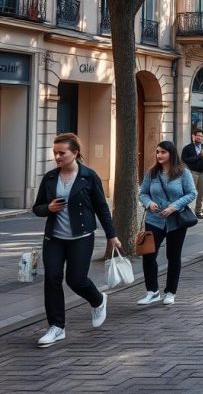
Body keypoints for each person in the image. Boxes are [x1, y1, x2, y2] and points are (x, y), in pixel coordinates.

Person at [33, 133, 121, 347]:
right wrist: (48, 208)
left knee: (76, 279)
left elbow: (101, 207)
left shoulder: (89, 177)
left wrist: (112, 235)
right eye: (55, 153)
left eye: (61, 153)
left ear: (75, 153)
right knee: (52, 278)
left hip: (81, 237)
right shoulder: (50, 178)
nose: (57, 157)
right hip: (54, 237)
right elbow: (37, 208)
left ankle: (98, 300)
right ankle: (56, 327)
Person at [137, 141, 197, 306]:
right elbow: (143, 193)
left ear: (171, 153)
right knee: (149, 255)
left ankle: (170, 292)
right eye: (157, 152)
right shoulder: (152, 173)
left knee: (173, 256)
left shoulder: (183, 172)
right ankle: (152, 291)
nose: (159, 155)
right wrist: (149, 203)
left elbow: (192, 193)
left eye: (163, 152)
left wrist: (174, 206)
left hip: (176, 221)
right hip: (154, 220)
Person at [180, 128, 203, 219]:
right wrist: (199, 155)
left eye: (201, 136)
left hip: (202, 173)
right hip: (192, 172)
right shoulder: (187, 148)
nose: (199, 138)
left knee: (201, 193)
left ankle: (198, 212)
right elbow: (185, 160)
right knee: (189, 192)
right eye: (198, 136)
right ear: (193, 136)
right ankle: (184, 212)